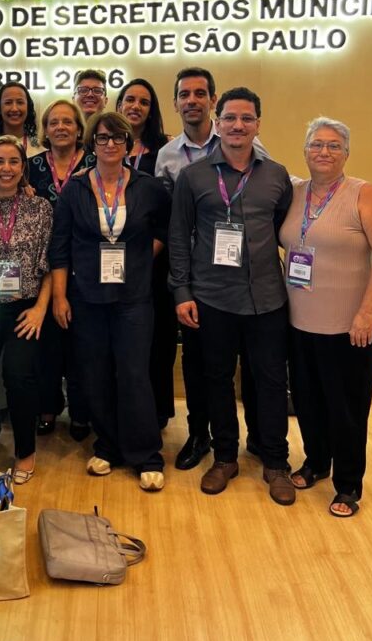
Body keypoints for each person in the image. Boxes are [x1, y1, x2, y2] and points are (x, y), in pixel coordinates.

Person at [169, 87, 295, 505]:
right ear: (217, 122)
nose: (238, 126)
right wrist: (182, 291)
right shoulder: (194, 177)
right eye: (230, 118)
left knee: (272, 382)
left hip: (267, 301)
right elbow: (179, 239)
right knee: (216, 381)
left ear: (258, 124)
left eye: (247, 118)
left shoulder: (277, 175)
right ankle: (224, 457)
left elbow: (282, 231)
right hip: (212, 299)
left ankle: (276, 462)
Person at [279, 117, 372, 518]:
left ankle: (347, 484)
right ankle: (315, 462)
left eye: (333, 145)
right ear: (305, 150)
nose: (324, 152)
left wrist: (368, 312)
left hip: (350, 328)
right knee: (309, 401)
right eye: (316, 145)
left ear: (346, 153)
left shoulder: (364, 194)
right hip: (299, 323)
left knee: (346, 409)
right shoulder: (294, 193)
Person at [50, 111, 171, 492]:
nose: (110, 145)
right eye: (102, 138)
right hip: (86, 298)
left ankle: (146, 454)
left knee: (134, 372)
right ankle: (109, 446)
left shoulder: (148, 188)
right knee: (96, 374)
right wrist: (59, 296)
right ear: (92, 144)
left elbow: (165, 230)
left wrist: (138, 258)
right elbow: (60, 247)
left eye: (118, 138)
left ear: (128, 144)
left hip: (133, 298)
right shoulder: (75, 190)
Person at [155, 67, 260, 472]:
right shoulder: (166, 157)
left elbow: (271, 190)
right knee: (198, 363)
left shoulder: (246, 142)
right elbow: (169, 220)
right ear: (177, 102)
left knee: (244, 364)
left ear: (213, 101)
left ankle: (255, 441)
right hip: (192, 274)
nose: (192, 100)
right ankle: (200, 436)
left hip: (236, 277)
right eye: (185, 94)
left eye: (201, 93)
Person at [0, 136, 53, 483]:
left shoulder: (41, 209)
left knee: (20, 377)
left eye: (13, 162)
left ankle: (25, 452)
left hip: (26, 308)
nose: (6, 168)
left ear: (23, 168)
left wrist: (40, 308)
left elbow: (51, 265)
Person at [28, 100, 92, 440]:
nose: (61, 127)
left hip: (87, 264)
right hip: (44, 265)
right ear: (45, 128)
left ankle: (82, 412)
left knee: (82, 343)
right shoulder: (31, 166)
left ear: (79, 128)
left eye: (68, 121)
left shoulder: (96, 163)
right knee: (48, 343)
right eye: (54, 122)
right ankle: (48, 406)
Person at [116, 78, 175, 429]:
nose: (135, 106)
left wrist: (142, 259)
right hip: (110, 264)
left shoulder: (163, 151)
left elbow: (166, 215)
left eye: (143, 102)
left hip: (153, 261)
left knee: (159, 337)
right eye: (129, 99)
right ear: (119, 104)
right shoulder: (106, 147)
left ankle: (158, 411)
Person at [0, 81, 43, 157]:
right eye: (8, 103)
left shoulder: (40, 148)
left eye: (20, 102)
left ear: (28, 108)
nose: (14, 109)